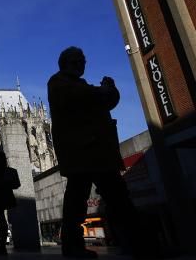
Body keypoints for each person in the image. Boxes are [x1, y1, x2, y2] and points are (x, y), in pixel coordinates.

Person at [48, 47, 152, 259]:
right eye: (75, 61)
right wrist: (100, 91)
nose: (80, 64)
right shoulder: (58, 82)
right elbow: (79, 97)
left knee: (117, 198)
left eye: (82, 61)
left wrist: (110, 89)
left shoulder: (81, 86)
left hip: (98, 151)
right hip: (81, 151)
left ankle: (138, 244)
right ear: (64, 63)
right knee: (79, 203)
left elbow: (107, 102)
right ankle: (74, 246)